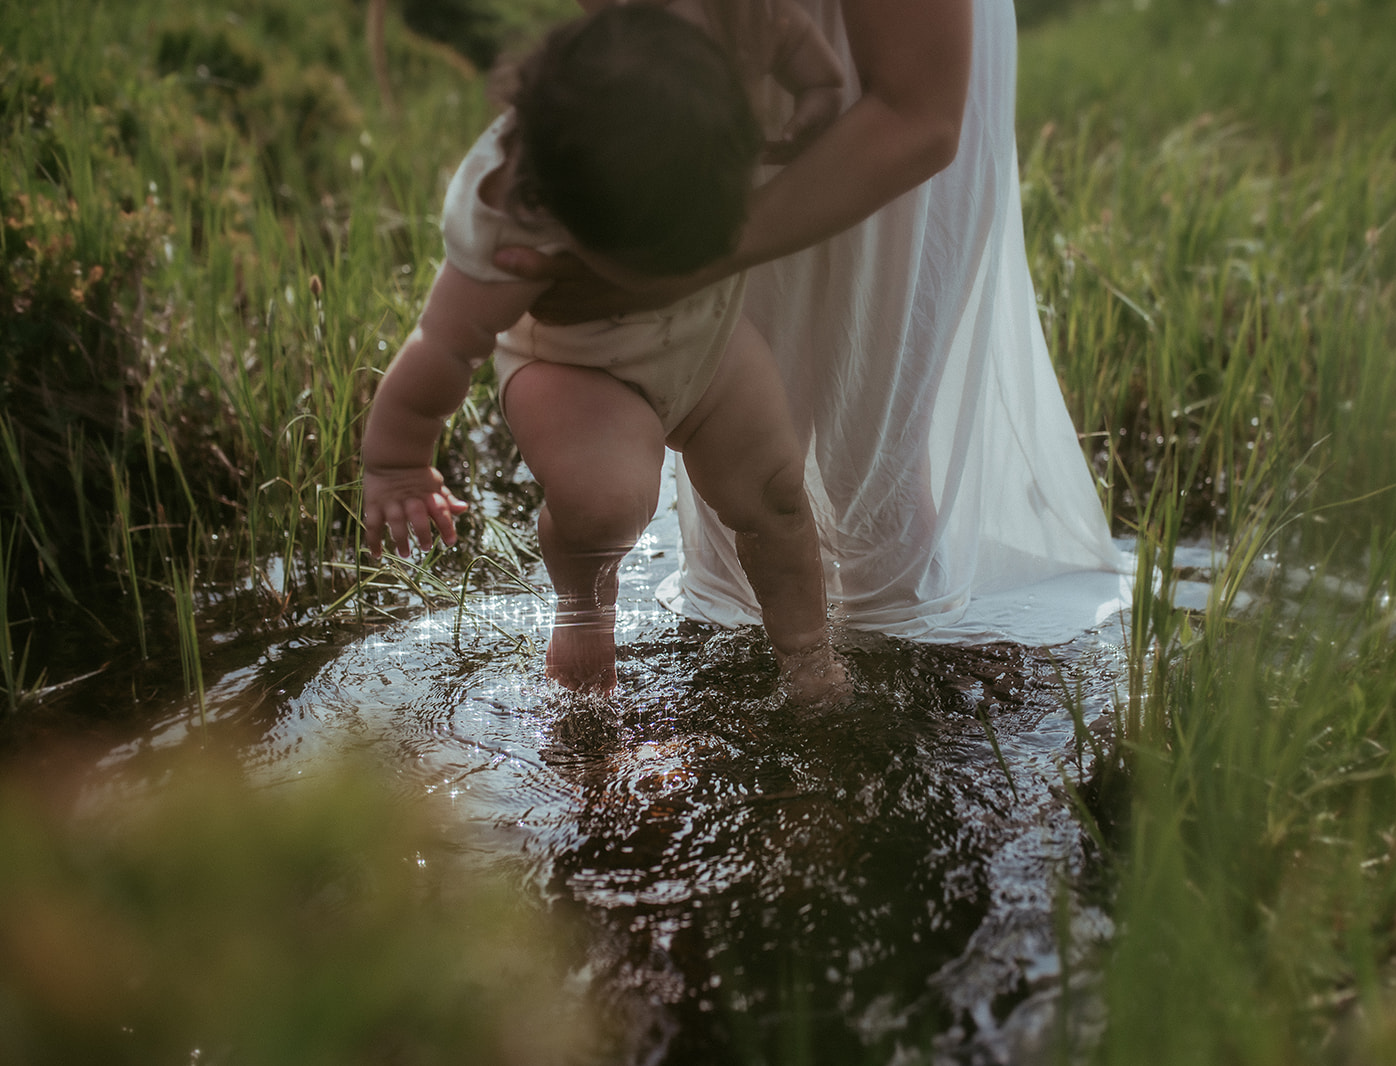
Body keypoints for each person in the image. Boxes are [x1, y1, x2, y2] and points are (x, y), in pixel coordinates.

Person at [495, 0, 1132, 648]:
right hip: (699, 94)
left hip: (899, 81)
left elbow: (920, 117)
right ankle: (738, 658)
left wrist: (685, 256)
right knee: (734, 459)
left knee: (879, 452)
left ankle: (884, 672)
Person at [361, 3, 852, 700]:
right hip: (573, 362)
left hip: (705, 339)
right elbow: (442, 348)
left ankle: (811, 666)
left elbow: (777, 26)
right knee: (607, 502)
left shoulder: (712, 52)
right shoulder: (510, 211)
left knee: (774, 492)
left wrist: (821, 88)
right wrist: (398, 464)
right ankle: (585, 605)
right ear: (557, 210)